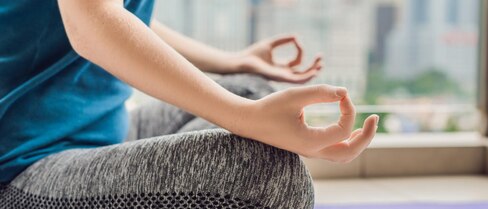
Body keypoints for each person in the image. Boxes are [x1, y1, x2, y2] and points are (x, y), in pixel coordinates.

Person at [0, 0, 379, 208]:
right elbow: (92, 20)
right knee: (266, 175)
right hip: (25, 163)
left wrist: (235, 62)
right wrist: (246, 119)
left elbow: (124, 13)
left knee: (249, 87)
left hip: (106, 129)